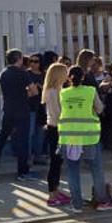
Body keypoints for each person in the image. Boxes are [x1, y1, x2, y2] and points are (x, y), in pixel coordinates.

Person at [59, 65, 112, 213]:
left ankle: (77, 205)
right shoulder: (90, 91)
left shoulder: (63, 93)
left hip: (69, 138)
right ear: (83, 77)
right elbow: (100, 108)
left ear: (68, 77)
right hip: (89, 138)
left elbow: (60, 112)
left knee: (72, 171)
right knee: (96, 169)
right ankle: (102, 202)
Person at [0, 49, 40, 180]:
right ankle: (23, 171)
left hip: (8, 109)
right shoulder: (22, 74)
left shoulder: (4, 73)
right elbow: (34, 92)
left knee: (3, 134)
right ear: (18, 59)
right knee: (23, 141)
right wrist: (26, 93)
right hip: (22, 110)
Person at [41, 62, 70, 207]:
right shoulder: (55, 92)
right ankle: (52, 194)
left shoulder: (53, 90)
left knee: (57, 162)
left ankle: (56, 190)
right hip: (56, 128)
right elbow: (59, 112)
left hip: (53, 127)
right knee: (55, 162)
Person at [27, 53, 48, 165]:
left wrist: (41, 88)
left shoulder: (44, 75)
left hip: (41, 106)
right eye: (31, 61)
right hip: (30, 106)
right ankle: (28, 156)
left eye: (36, 61)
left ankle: (38, 155)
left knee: (40, 132)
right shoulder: (27, 74)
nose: (33, 64)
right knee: (30, 132)